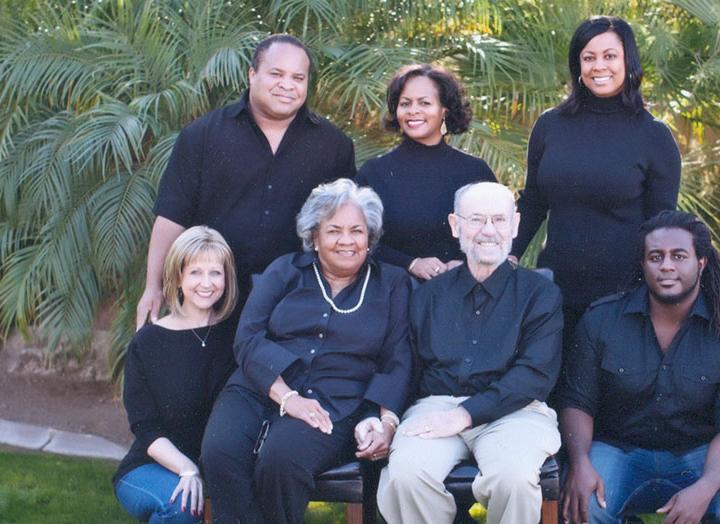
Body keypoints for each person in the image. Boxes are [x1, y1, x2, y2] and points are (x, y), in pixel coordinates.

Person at [200, 179, 411, 524]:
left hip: (334, 402)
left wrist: (386, 421)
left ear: (370, 238)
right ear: (315, 236)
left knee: (281, 461)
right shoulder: (285, 270)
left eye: (357, 231)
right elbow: (248, 338)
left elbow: (398, 358)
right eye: (334, 231)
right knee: (220, 453)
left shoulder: (392, 283)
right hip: (257, 386)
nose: (346, 241)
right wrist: (288, 398)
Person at [558, 210, 720, 524]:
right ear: (643, 265)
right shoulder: (601, 320)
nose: (667, 265)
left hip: (700, 455)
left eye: (679, 256)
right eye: (656, 256)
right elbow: (577, 402)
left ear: (701, 263)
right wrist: (579, 463)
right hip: (619, 449)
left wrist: (706, 487)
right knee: (581, 507)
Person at [136, 33, 355, 329]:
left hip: (299, 305)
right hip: (213, 300)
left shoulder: (333, 145)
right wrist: (153, 286)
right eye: (276, 74)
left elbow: (346, 227)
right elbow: (172, 216)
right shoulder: (202, 136)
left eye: (298, 77)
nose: (287, 85)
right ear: (252, 74)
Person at [377, 182, 563, 524]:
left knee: (514, 477)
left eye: (499, 220)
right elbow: (402, 363)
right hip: (437, 405)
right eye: (476, 219)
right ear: (455, 225)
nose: (488, 231)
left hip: (515, 412)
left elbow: (534, 375)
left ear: (516, 226)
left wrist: (464, 415)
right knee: (405, 474)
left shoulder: (540, 294)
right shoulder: (428, 295)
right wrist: (386, 419)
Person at [511, 16, 682, 364]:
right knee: (553, 400)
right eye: (588, 57)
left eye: (609, 56)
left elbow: (663, 227)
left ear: (628, 61)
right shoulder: (549, 125)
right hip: (554, 291)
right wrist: (507, 255)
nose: (598, 66)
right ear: (577, 65)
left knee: (612, 406)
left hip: (624, 297)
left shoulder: (654, 135)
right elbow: (532, 203)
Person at [113, 226, 239, 523]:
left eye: (216, 273)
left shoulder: (237, 336)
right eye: (195, 272)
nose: (207, 283)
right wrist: (186, 468)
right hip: (152, 465)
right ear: (178, 277)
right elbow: (145, 428)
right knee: (183, 504)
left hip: (219, 466)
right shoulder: (148, 342)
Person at [356, 63, 496, 281]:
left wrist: (470, 263)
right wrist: (410, 263)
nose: (413, 110)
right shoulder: (374, 172)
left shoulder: (475, 171)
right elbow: (357, 240)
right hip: (392, 294)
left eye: (425, 103)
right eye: (405, 103)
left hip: (465, 294)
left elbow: (499, 235)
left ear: (445, 111)